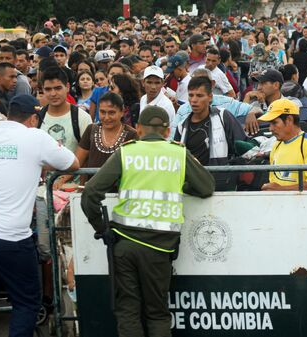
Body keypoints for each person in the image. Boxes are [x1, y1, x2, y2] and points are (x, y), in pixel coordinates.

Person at [80, 105, 214, 337]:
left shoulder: (126, 151)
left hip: (124, 244)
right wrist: (181, 184)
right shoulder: (178, 152)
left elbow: (90, 192)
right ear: (167, 130)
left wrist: (102, 229)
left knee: (128, 311)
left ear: (139, 129)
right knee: (157, 313)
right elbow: (206, 187)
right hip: (159, 248)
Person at [0, 94, 79, 337]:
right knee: (26, 302)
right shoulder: (34, 137)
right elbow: (73, 164)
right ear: (34, 118)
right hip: (11, 237)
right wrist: (42, 163)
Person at [174, 76, 247, 190]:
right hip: (194, 188)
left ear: (210, 97)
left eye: (199, 95)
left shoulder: (223, 116)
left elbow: (242, 147)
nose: (194, 100)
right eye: (191, 95)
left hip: (222, 186)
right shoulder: (181, 127)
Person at [258, 98, 307, 191]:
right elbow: (274, 182)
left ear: (289, 120)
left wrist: (280, 190)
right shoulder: (276, 145)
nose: (270, 128)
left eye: (274, 123)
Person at [75, 92, 138, 171]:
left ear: (122, 112)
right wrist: (61, 180)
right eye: (102, 112)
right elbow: (77, 161)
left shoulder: (132, 135)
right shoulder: (91, 130)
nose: (107, 117)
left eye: (111, 113)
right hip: (92, 183)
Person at [39, 66, 92, 152]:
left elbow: (87, 152)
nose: (53, 94)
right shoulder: (36, 118)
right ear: (42, 90)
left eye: (58, 88)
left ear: (67, 87)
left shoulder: (83, 118)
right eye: (48, 89)